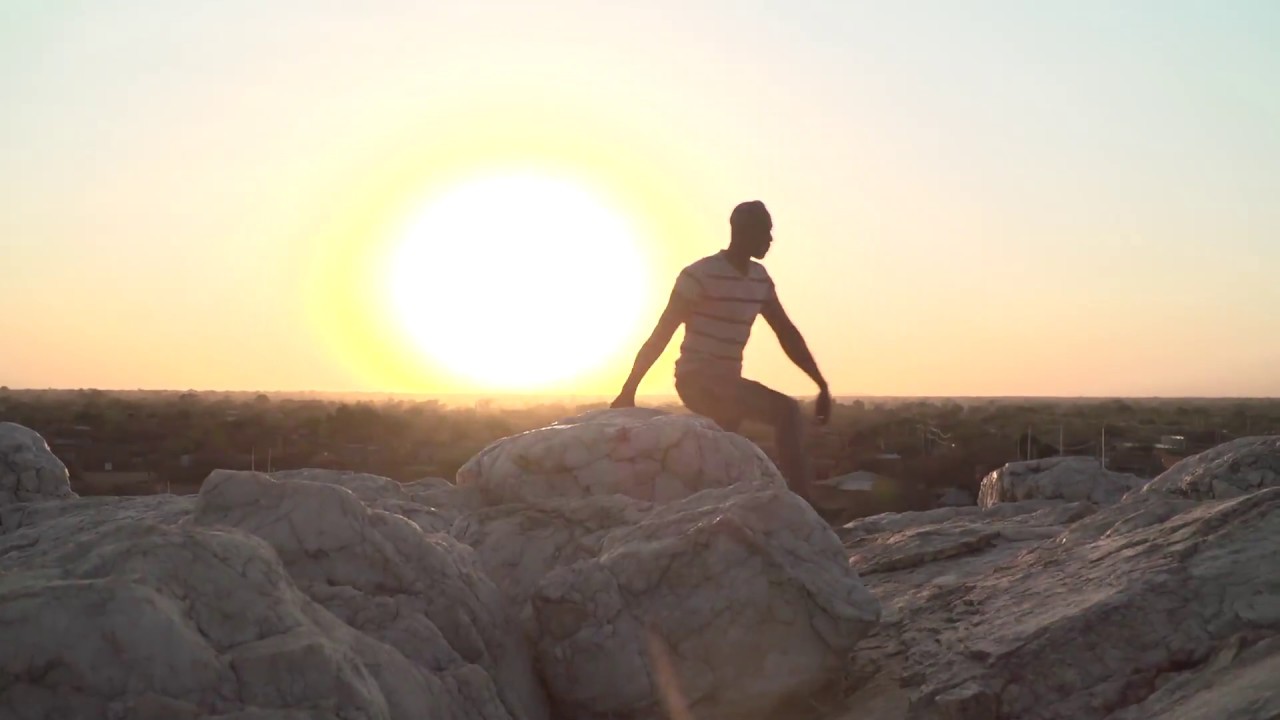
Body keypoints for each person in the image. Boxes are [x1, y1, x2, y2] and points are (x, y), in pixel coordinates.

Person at [611, 200, 831, 503]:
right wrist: (629, 390)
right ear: (743, 232)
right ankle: (803, 504)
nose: (770, 240)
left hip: (728, 382)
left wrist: (820, 383)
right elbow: (662, 333)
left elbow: (786, 333)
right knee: (788, 413)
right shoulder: (699, 275)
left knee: (726, 445)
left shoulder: (759, 279)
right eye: (765, 232)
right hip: (697, 379)